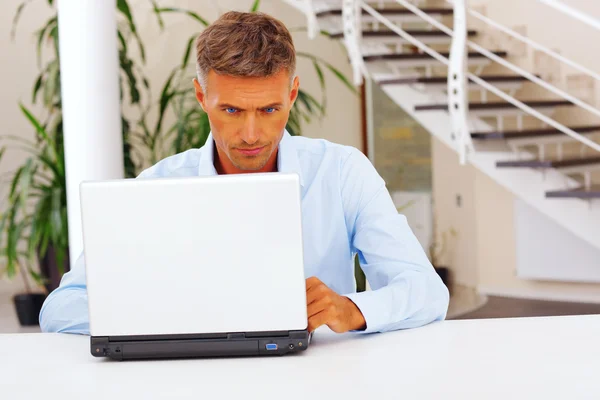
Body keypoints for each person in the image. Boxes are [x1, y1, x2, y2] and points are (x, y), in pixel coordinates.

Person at [39, 11, 449, 335]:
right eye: (231, 110)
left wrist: (353, 309)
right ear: (202, 96)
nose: (251, 134)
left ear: (291, 94)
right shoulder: (157, 186)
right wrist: (174, 315)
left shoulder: (341, 172)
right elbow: (62, 306)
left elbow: (427, 291)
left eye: (269, 110)